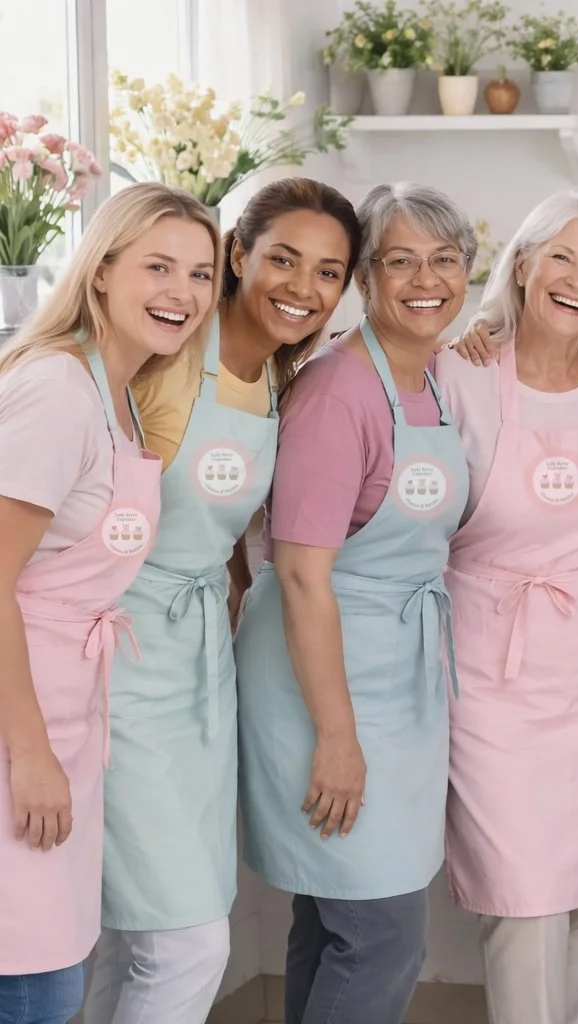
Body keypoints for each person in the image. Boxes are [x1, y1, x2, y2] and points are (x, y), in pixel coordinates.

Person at [85, 178, 360, 1024]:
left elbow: (222, 519)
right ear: (237, 255)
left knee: (135, 935)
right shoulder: (170, 348)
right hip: (123, 665)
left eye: (327, 272)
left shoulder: (283, 372)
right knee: (186, 943)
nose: (301, 288)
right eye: (281, 259)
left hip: (202, 666)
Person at [234, 182, 474, 1024]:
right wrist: (337, 737)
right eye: (399, 260)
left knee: (331, 918)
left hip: (394, 675)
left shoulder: (438, 377)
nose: (426, 278)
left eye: (445, 259)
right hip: (324, 681)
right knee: (379, 933)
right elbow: (300, 573)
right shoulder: (340, 390)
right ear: (364, 280)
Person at [0, 183, 218, 1024]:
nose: (182, 293)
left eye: (199, 275)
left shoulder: (120, 393)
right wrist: (29, 754)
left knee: (56, 975)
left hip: (65, 718)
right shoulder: (57, 390)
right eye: (157, 267)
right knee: (33, 984)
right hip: (21, 729)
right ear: (100, 273)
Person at [434, 191, 578, 1024]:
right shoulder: (462, 371)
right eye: (562, 257)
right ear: (521, 263)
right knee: (524, 898)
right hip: (490, 667)